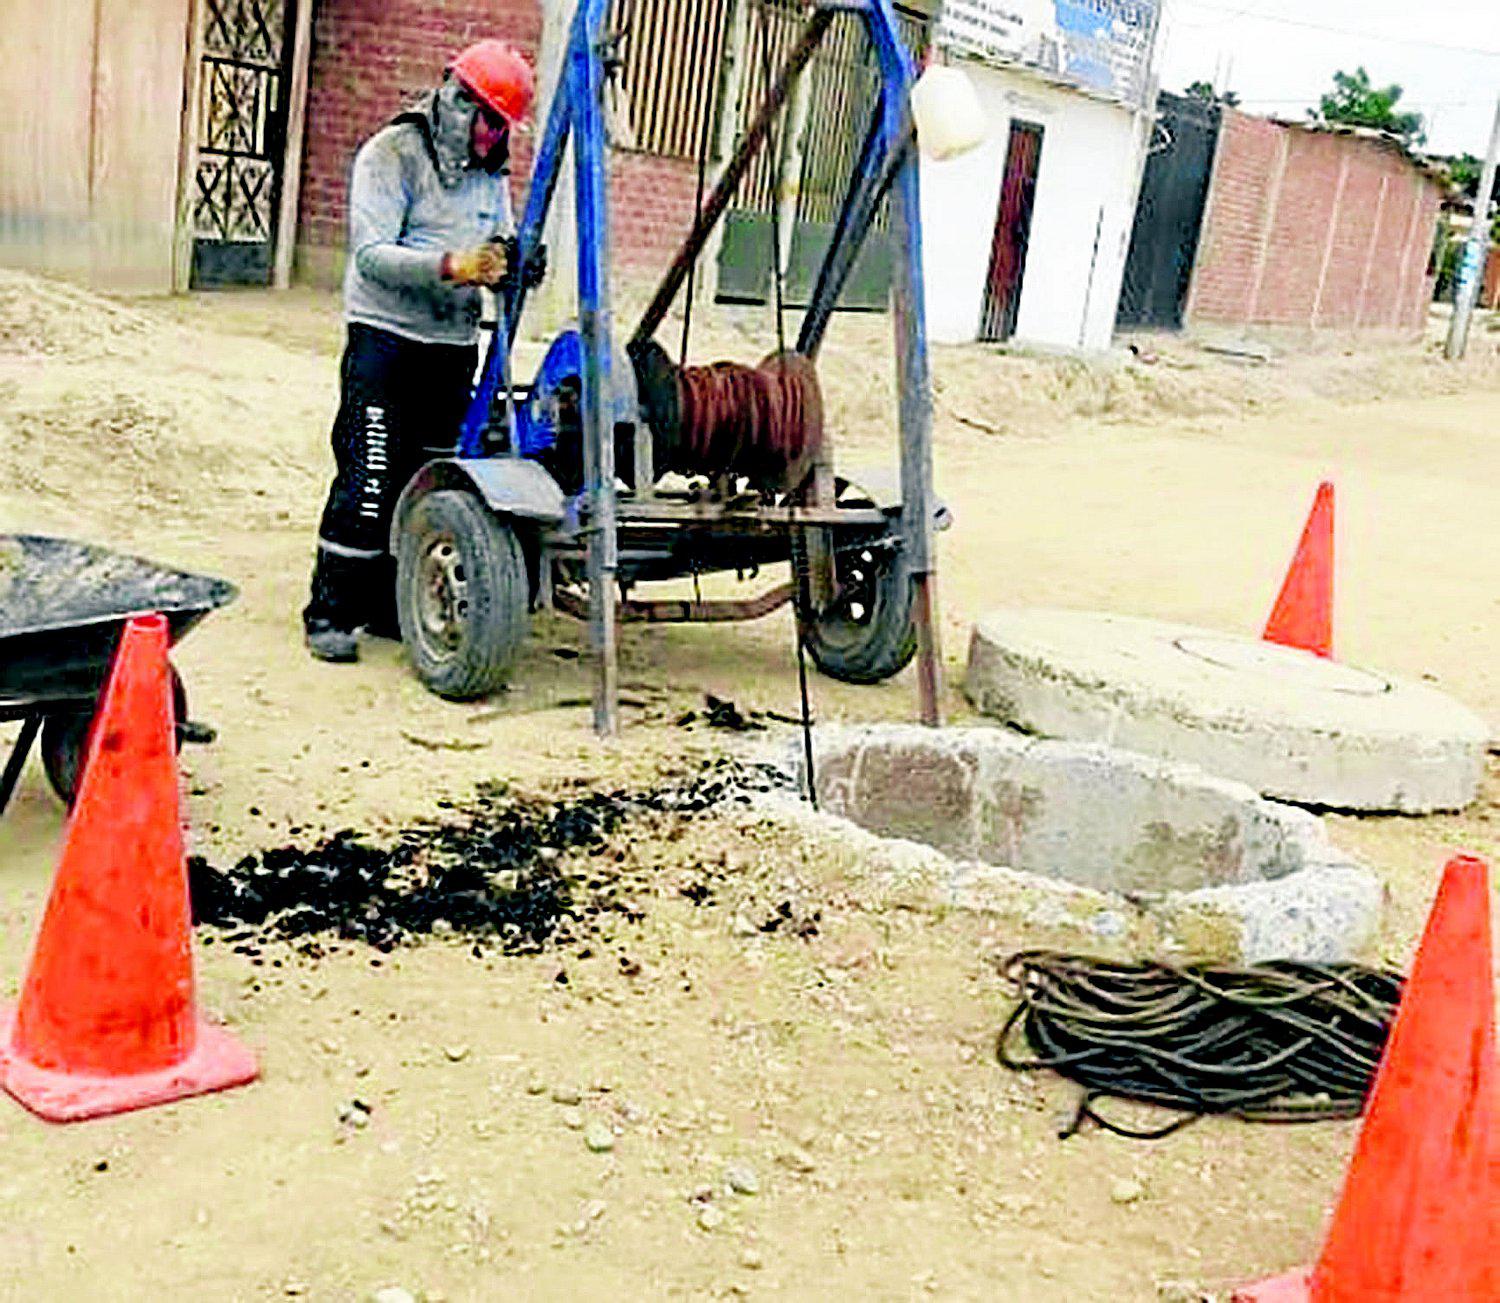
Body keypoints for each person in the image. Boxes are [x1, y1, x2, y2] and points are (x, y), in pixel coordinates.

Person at [303, 40, 545, 663]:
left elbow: (502, 240)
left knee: (424, 479)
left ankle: (389, 605)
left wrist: (517, 262)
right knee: (370, 475)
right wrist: (454, 266)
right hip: (385, 339)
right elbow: (371, 255)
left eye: (504, 127)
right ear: (459, 104)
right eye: (491, 121)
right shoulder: (392, 154)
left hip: (451, 346)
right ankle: (331, 610)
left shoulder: (493, 177)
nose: (496, 137)